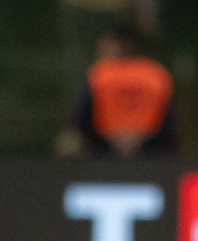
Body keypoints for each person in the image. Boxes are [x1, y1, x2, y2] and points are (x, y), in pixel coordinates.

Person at [72, 26, 176, 156]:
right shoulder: (157, 74)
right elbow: (169, 123)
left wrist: (115, 139)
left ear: (120, 46)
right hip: (151, 152)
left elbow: (81, 119)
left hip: (107, 152)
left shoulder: (100, 75)